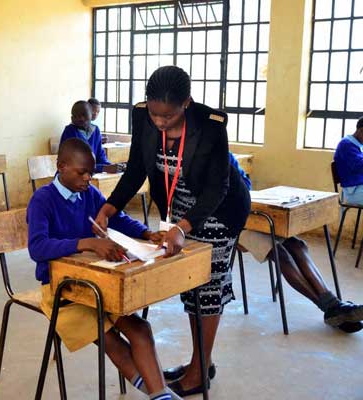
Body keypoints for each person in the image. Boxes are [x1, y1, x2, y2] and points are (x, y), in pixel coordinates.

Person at [94, 66, 251, 396]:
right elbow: (136, 169)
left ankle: (198, 371)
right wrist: (110, 207)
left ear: (187, 104)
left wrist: (183, 227)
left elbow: (218, 187)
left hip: (218, 209)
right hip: (177, 207)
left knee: (207, 287)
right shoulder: (143, 117)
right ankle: (200, 363)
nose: (160, 123)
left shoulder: (210, 126)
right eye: (155, 114)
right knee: (189, 284)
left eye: (169, 116)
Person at [27, 138, 174, 400]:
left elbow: (115, 216)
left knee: (141, 329)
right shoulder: (43, 200)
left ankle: (160, 394)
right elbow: (37, 248)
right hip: (62, 291)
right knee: (111, 339)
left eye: (90, 173)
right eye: (81, 172)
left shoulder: (89, 194)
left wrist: (146, 232)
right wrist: (88, 243)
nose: (87, 178)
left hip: (97, 283)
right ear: (61, 167)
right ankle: (159, 394)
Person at [235, 152, 363, 334]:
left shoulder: (227, 156)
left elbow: (245, 184)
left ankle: (334, 306)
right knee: (281, 255)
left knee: (297, 245)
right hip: (232, 227)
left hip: (252, 216)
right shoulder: (202, 161)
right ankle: (330, 307)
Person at [59, 100, 118, 173]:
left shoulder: (95, 130)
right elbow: (76, 163)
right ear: (72, 118)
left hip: (90, 172)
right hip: (71, 175)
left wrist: (110, 166)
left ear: (91, 115)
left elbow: (101, 156)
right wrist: (103, 168)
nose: (81, 118)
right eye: (76, 116)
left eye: (84, 115)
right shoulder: (70, 131)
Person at [333, 117, 363, 205]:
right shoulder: (346, 145)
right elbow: (359, 166)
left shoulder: (357, 144)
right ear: (361, 131)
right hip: (354, 191)